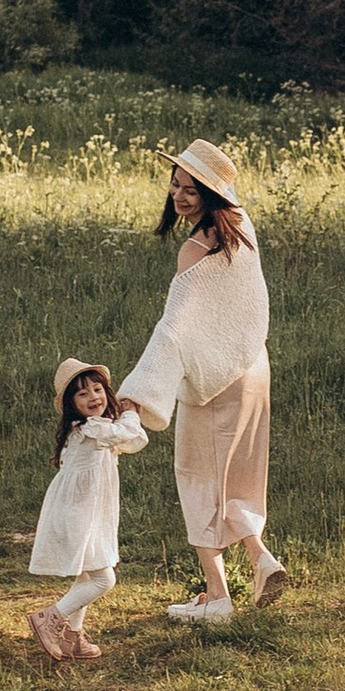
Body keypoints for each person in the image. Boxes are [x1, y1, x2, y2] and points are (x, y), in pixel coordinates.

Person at [119, 138, 285, 625]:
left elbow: (174, 331)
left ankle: (217, 597)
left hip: (216, 378)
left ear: (212, 194)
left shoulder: (194, 252)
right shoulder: (243, 229)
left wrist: (135, 396)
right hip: (253, 366)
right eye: (176, 185)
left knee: (196, 477)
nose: (180, 196)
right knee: (239, 472)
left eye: (192, 189)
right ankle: (260, 557)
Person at [27, 359, 146, 664]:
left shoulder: (98, 429)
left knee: (85, 578)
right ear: (71, 404)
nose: (93, 397)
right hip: (79, 515)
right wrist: (131, 413)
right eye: (82, 394)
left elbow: (133, 441)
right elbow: (128, 434)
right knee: (103, 580)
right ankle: (50, 618)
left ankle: (73, 639)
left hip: (83, 513)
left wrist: (128, 419)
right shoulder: (90, 428)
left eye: (97, 389)